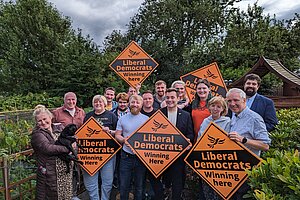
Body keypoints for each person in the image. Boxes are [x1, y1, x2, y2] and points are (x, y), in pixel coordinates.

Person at [227, 88, 271, 199]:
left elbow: (265, 145)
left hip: (247, 171)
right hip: (233, 170)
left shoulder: (254, 118)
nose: (232, 104)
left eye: (236, 100)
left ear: (244, 100)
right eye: (229, 101)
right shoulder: (233, 116)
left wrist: (243, 140)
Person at [150, 88, 194, 200]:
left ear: (178, 98)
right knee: (154, 177)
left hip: (179, 155)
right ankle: (161, 195)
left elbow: (190, 134)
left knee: (177, 180)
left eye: (172, 97)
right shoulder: (158, 113)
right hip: (161, 155)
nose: (170, 100)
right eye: (167, 97)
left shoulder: (186, 115)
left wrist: (188, 141)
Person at [31, 105, 74, 200]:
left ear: (50, 117)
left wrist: (74, 144)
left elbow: (70, 138)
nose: (43, 122)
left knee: (66, 196)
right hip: (50, 173)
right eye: (39, 121)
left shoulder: (59, 127)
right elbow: (48, 148)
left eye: (45, 118)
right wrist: (68, 149)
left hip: (64, 172)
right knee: (51, 196)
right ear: (36, 122)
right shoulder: (37, 134)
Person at [82, 95, 118, 200]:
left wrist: (110, 131)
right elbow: (83, 134)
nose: (98, 104)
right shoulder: (88, 116)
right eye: (96, 102)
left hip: (108, 153)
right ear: (93, 104)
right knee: (90, 181)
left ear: (105, 104)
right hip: (91, 153)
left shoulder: (112, 116)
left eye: (100, 102)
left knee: (107, 181)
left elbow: (119, 132)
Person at [52, 92, 85, 200]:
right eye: (68, 100)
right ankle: (64, 195)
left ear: (76, 100)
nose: (71, 102)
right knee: (65, 171)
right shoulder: (56, 113)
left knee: (76, 170)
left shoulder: (81, 112)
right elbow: (50, 128)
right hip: (63, 147)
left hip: (76, 145)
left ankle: (74, 194)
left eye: (73, 100)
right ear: (64, 100)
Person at [115, 94, 149, 200]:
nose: (135, 104)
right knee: (124, 186)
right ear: (129, 104)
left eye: (137, 102)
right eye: (133, 102)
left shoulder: (147, 119)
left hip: (141, 158)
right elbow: (117, 135)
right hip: (126, 156)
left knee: (139, 186)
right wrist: (124, 140)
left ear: (141, 104)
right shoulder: (122, 119)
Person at [197, 96, 230, 200]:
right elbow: (199, 138)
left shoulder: (227, 122)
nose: (215, 108)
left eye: (218, 106)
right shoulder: (205, 121)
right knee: (207, 191)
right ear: (209, 107)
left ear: (223, 109)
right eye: (213, 105)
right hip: (205, 160)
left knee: (219, 192)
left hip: (220, 161)